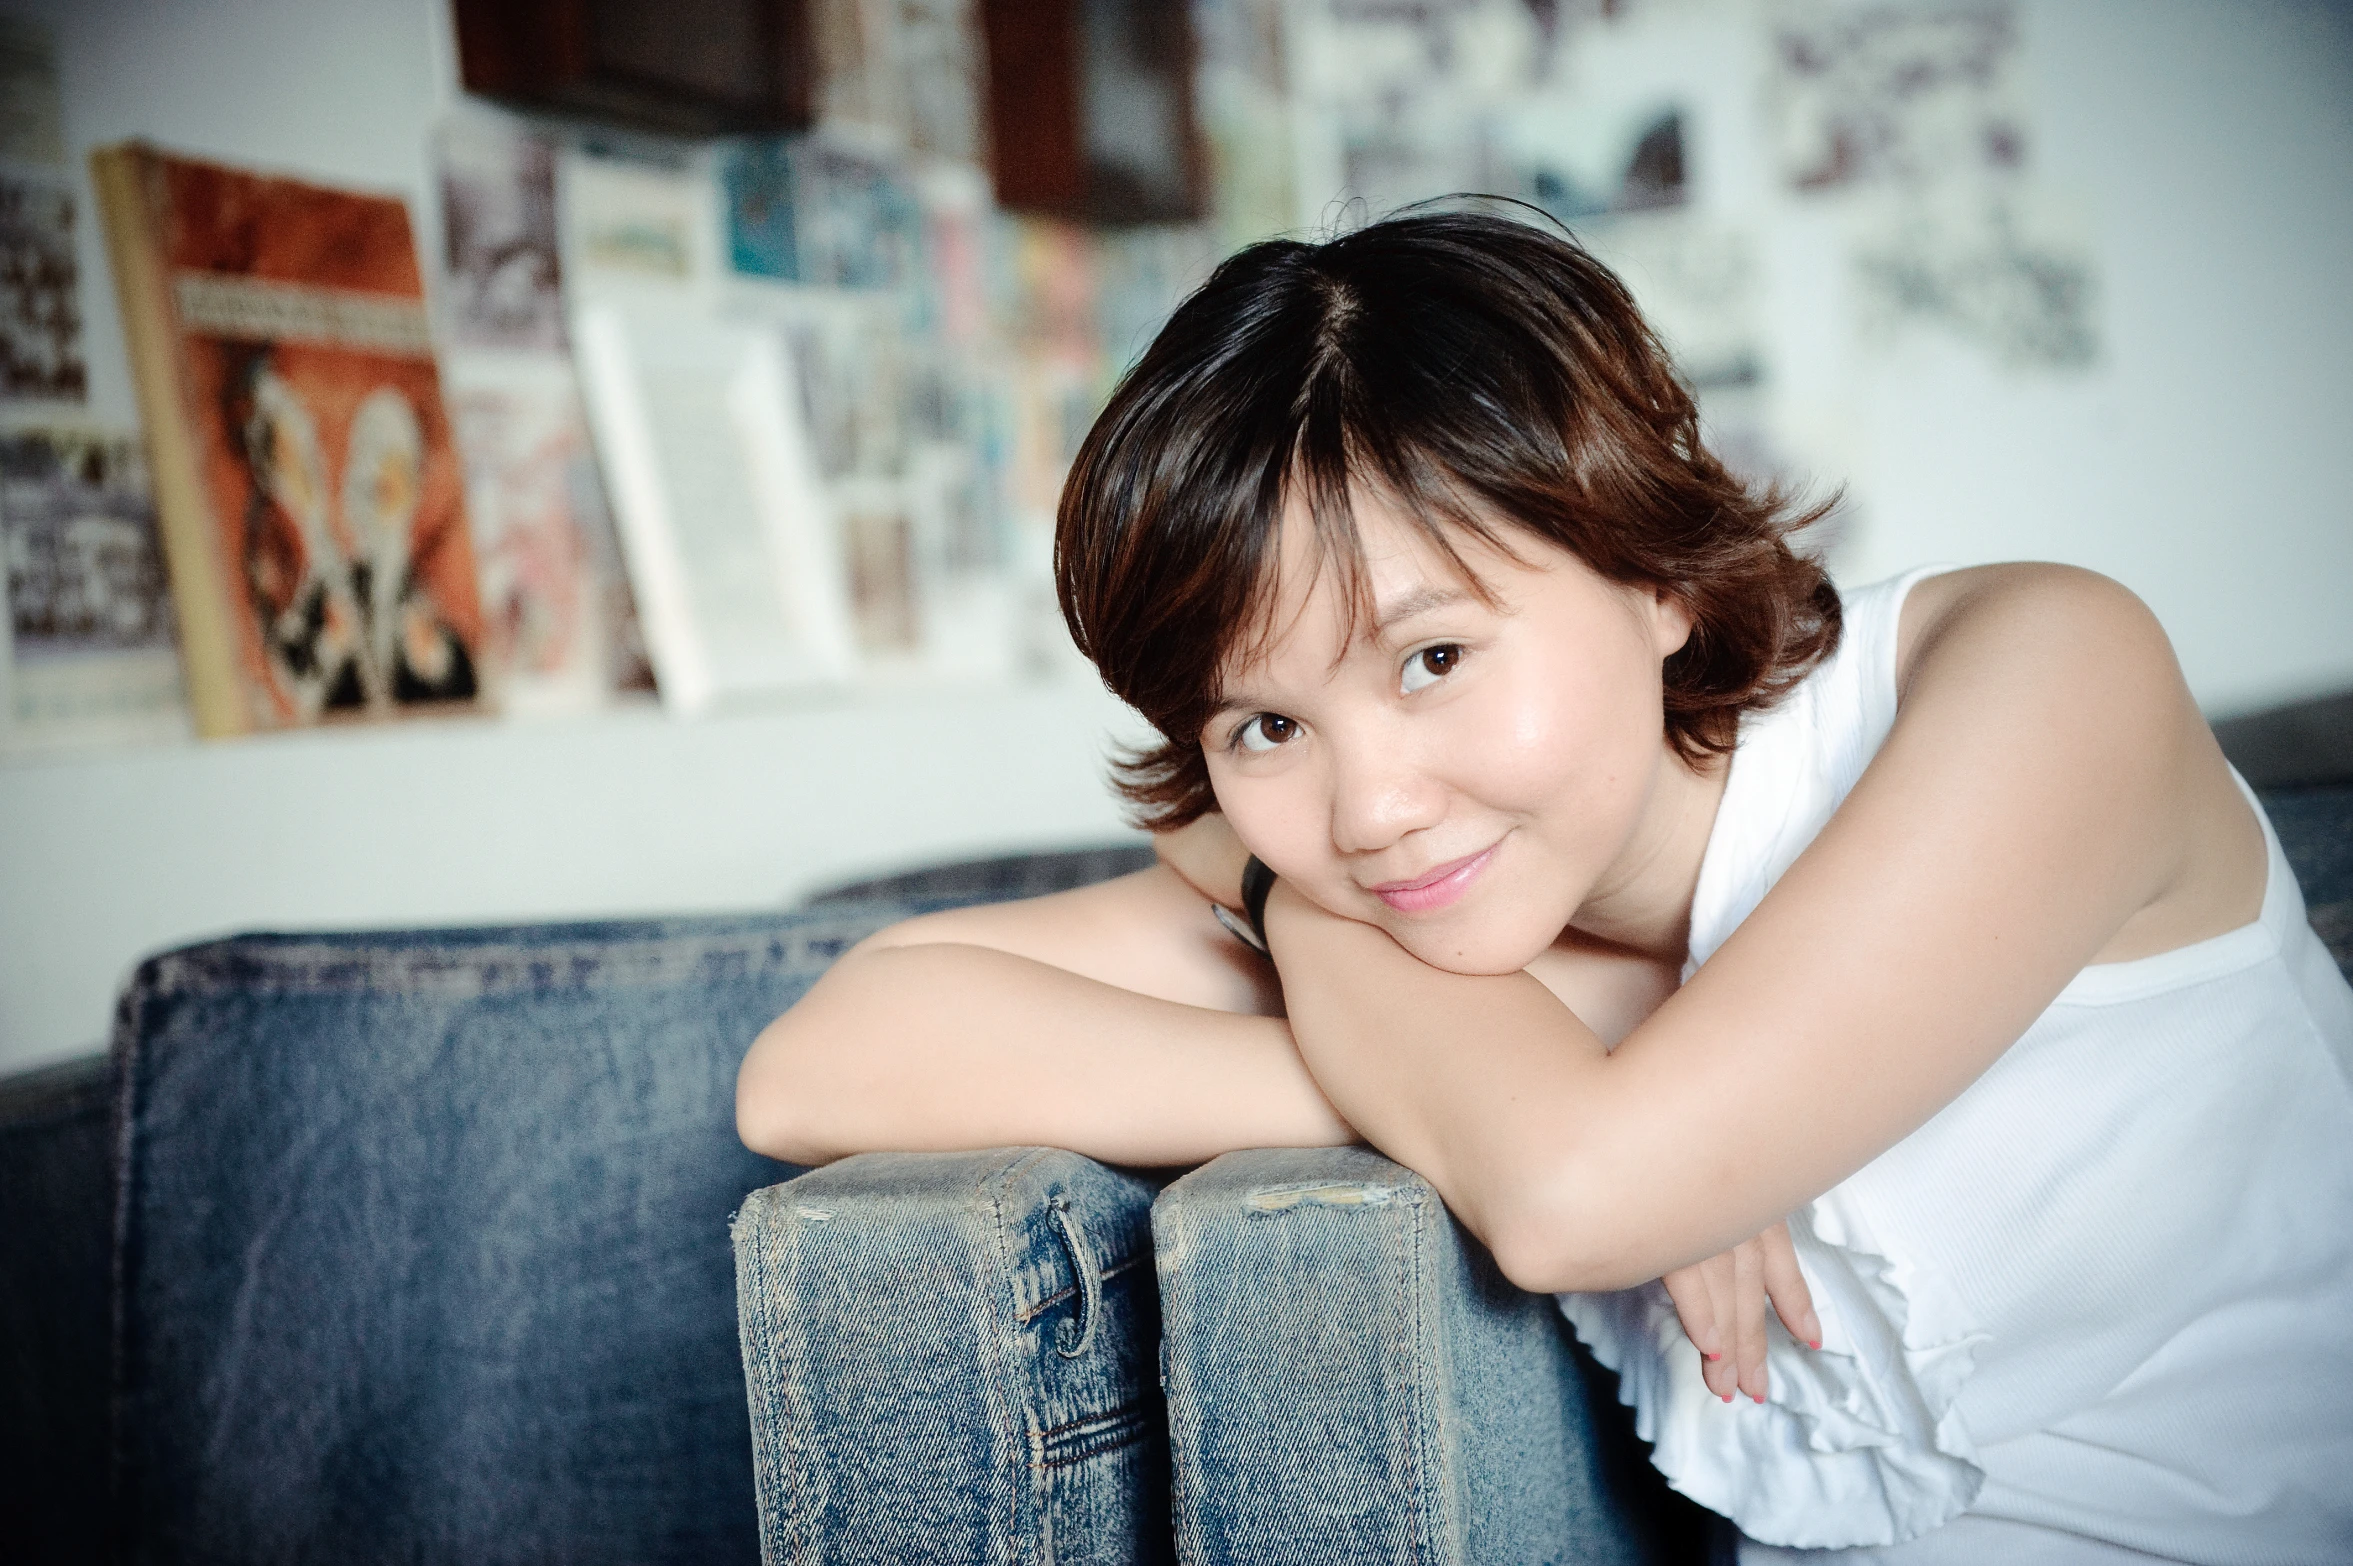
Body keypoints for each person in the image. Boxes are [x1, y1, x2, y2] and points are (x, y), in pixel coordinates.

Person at [735, 208, 2353, 1560]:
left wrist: (1432, 1020)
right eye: (1269, 720)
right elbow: (819, 1062)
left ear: (1648, 568)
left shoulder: (2049, 668)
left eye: (1435, 655)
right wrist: (1433, 1037)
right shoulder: (1444, 929)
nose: (1371, 808)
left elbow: (1579, 1194)